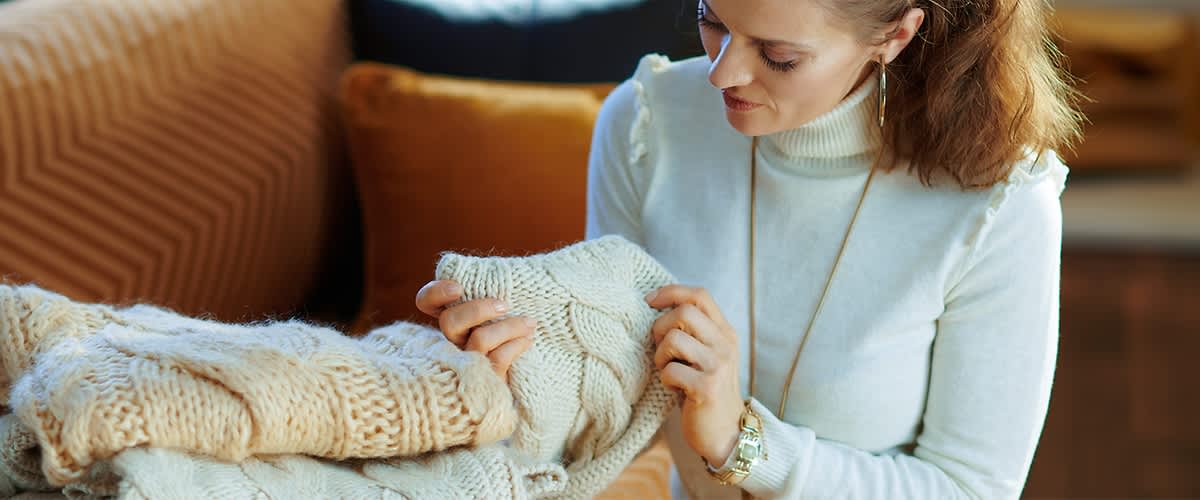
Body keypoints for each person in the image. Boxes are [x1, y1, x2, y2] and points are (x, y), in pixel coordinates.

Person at [416, 0, 1082, 497]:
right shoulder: (647, 123)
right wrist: (515, 372)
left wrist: (743, 441)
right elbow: (606, 402)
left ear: (894, 34)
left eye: (778, 55)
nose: (721, 72)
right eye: (713, 20)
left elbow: (970, 489)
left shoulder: (999, 202)